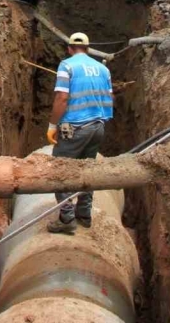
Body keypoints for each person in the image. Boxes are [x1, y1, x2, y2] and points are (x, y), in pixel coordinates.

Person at [46, 32, 114, 235]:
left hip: (75, 129)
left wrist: (52, 126)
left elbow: (62, 98)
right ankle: (84, 214)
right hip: (98, 127)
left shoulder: (67, 66)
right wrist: (102, 121)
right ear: (87, 48)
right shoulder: (103, 69)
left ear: (69, 48)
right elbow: (110, 98)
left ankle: (67, 218)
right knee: (87, 170)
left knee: (60, 171)